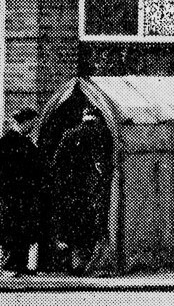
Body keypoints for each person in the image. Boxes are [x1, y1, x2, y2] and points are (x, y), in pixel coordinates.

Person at [50, 107, 112, 274]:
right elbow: (102, 165)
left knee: (71, 223)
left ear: (83, 117)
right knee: (89, 226)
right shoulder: (102, 134)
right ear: (97, 118)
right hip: (91, 190)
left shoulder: (68, 134)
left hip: (70, 188)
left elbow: (57, 163)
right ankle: (82, 262)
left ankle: (69, 259)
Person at [0, 109, 44, 275]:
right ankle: (13, 265)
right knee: (17, 229)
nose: (33, 126)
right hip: (19, 194)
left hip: (12, 194)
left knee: (15, 229)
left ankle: (16, 265)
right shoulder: (20, 144)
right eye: (32, 123)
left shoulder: (5, 142)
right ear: (25, 122)